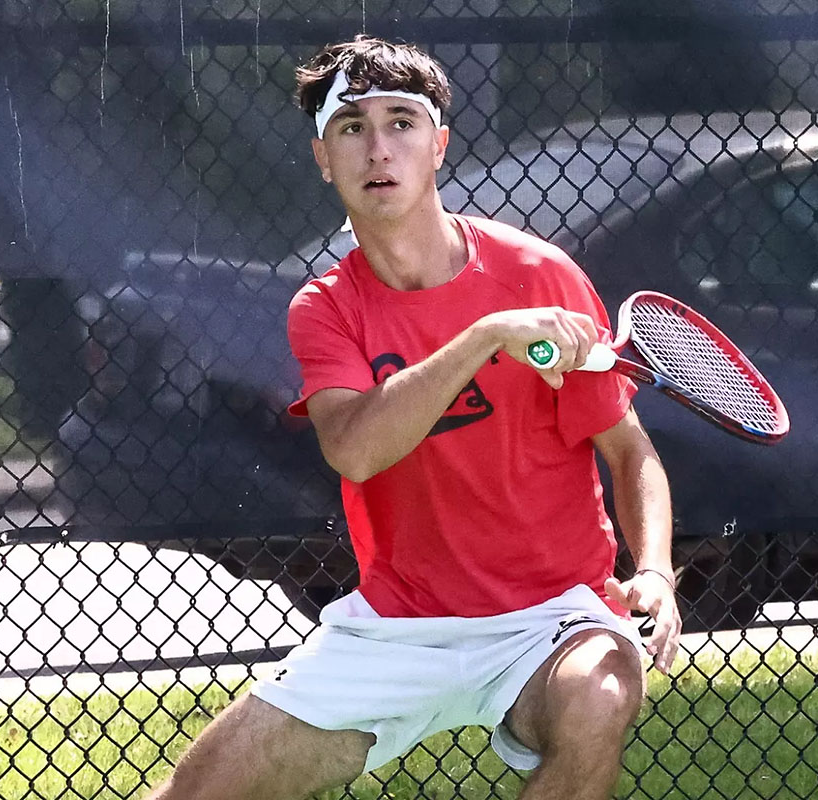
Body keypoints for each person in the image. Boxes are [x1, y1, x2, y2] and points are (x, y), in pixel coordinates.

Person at [147, 35, 680, 800]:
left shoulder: (540, 274)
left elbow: (631, 453)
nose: (378, 149)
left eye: (402, 122)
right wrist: (485, 336)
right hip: (398, 626)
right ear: (323, 157)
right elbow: (355, 450)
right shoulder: (326, 308)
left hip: (555, 617)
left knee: (599, 699)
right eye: (352, 128)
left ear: (438, 145)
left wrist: (654, 570)